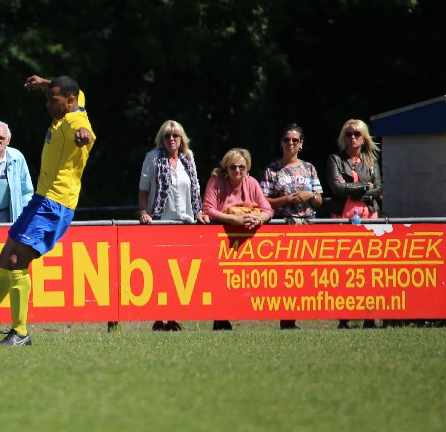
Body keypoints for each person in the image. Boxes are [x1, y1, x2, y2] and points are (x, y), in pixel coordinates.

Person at [0, 74, 96, 347]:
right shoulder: (74, 102)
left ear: (68, 101)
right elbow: (75, 90)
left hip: (55, 204)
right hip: (40, 200)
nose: (47, 104)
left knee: (16, 260)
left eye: (52, 100)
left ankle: (20, 332)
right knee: (4, 259)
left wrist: (85, 135)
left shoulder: (74, 121)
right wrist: (47, 83)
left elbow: (84, 130)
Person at [136, 119, 206, 331]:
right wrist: (144, 212)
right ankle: (159, 318)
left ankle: (174, 317)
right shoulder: (153, 158)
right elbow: (143, 189)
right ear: (162, 139)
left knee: (180, 273)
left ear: (182, 139)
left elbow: (195, 189)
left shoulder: (188, 159)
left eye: (175, 135)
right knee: (160, 272)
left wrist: (199, 211)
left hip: (185, 224)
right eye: (167, 136)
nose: (171, 139)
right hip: (160, 223)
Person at [202, 148, 272, 331]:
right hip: (220, 239)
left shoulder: (252, 183)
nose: (237, 170)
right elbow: (208, 209)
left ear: (247, 168)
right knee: (219, 281)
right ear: (226, 167)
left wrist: (259, 219)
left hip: (245, 242)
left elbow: (268, 210)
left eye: (242, 167)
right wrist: (235, 219)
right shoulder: (216, 181)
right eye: (233, 167)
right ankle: (220, 318)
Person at [261, 123, 322, 329]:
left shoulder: (309, 168)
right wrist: (286, 199)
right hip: (283, 226)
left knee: (303, 273)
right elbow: (263, 200)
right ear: (281, 143)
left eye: (295, 140)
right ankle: (286, 319)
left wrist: (309, 195)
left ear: (301, 143)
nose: (291, 143)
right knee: (285, 275)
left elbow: (319, 200)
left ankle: (296, 317)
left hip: (306, 224)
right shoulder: (272, 170)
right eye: (287, 139)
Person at [326, 119, 382, 328]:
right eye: (348, 134)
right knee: (344, 268)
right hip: (343, 218)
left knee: (369, 269)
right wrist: (365, 187)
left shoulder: (371, 161)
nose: (352, 138)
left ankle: (370, 317)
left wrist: (353, 188)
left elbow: (379, 189)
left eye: (357, 134)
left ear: (364, 137)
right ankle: (344, 318)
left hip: (369, 218)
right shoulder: (335, 159)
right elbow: (337, 188)